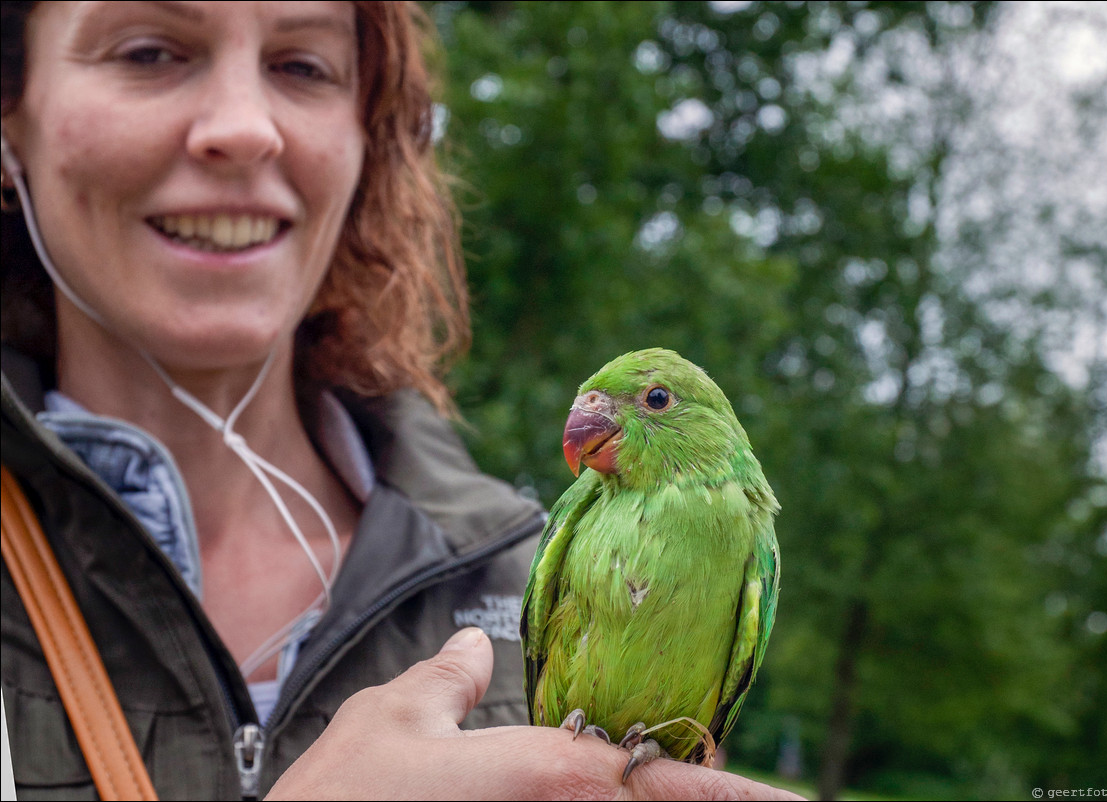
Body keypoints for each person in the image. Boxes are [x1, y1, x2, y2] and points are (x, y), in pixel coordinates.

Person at [0, 1, 800, 800]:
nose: (243, 128)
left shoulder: (508, 561)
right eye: (147, 52)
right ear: (11, 113)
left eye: (301, 66)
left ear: (368, 137)